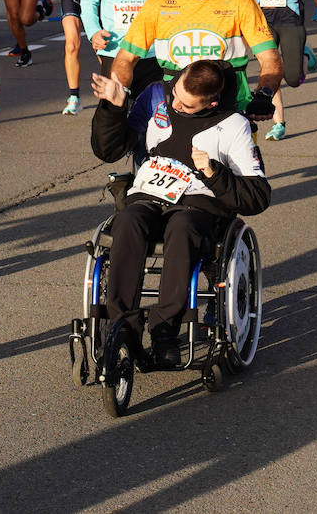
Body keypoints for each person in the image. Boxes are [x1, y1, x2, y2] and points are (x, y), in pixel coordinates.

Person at [89, 60, 270, 368]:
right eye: (176, 94)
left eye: (186, 105)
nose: (175, 104)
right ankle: (122, 328)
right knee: (128, 223)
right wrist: (113, 109)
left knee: (183, 228)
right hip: (147, 195)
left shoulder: (233, 124)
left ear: (211, 103)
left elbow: (257, 195)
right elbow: (108, 150)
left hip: (198, 205)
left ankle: (165, 331)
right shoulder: (157, 96)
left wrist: (214, 173)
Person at [113, 0, 282, 118]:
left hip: (230, 109)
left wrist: (264, 95)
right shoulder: (157, 2)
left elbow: (270, 59)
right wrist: (119, 93)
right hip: (174, 110)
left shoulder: (240, 0)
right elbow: (125, 59)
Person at [247, 0, 317, 139]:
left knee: (294, 79)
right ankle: (279, 123)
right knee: (270, 71)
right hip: (265, 18)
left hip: (289, 17)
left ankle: (306, 55)